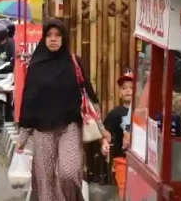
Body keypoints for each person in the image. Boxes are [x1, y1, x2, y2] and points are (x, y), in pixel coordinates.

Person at [17, 19, 106, 201]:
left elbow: (89, 95)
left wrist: (102, 129)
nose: (53, 39)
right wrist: (23, 136)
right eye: (49, 35)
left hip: (69, 126)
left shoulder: (74, 62)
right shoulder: (36, 65)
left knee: (69, 174)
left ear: (64, 38)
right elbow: (28, 100)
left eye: (58, 35)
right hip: (43, 130)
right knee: (45, 182)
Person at [102, 73, 134, 199]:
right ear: (119, 92)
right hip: (122, 158)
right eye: (124, 88)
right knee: (124, 188)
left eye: (131, 87)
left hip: (141, 161)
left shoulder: (143, 111)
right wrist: (104, 143)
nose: (128, 90)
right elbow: (106, 131)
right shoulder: (116, 113)